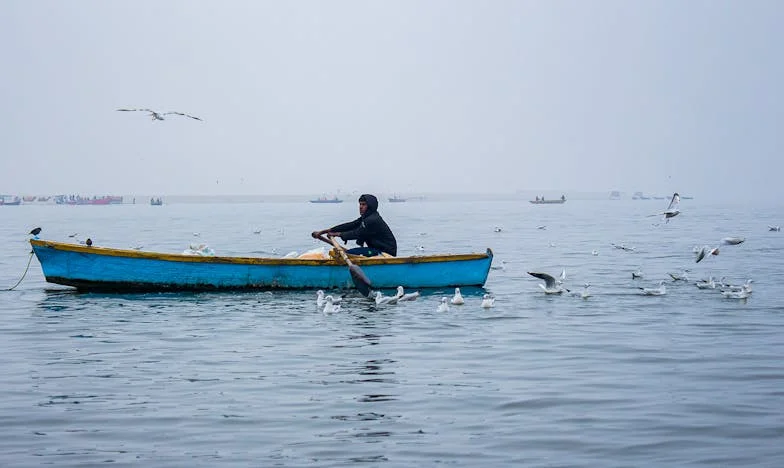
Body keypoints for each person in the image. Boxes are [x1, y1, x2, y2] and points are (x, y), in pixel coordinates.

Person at [311, 194, 397, 257]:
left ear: (370, 206)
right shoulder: (366, 218)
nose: (360, 207)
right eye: (360, 204)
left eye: (364, 204)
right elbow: (351, 225)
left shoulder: (372, 220)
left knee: (349, 253)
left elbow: (357, 233)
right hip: (376, 250)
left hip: (385, 252)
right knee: (351, 252)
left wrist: (338, 234)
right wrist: (327, 231)